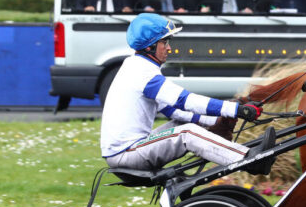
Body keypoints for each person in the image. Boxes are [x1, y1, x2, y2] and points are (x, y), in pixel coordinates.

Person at [100, 13, 275, 175]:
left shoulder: (137, 66)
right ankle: (249, 160)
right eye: (165, 42)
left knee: (182, 122)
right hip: (126, 154)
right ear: (150, 47)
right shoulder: (142, 72)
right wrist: (236, 110)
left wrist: (216, 121)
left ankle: (232, 147)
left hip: (128, 150)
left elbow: (174, 111)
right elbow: (184, 100)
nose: (169, 48)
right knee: (186, 133)